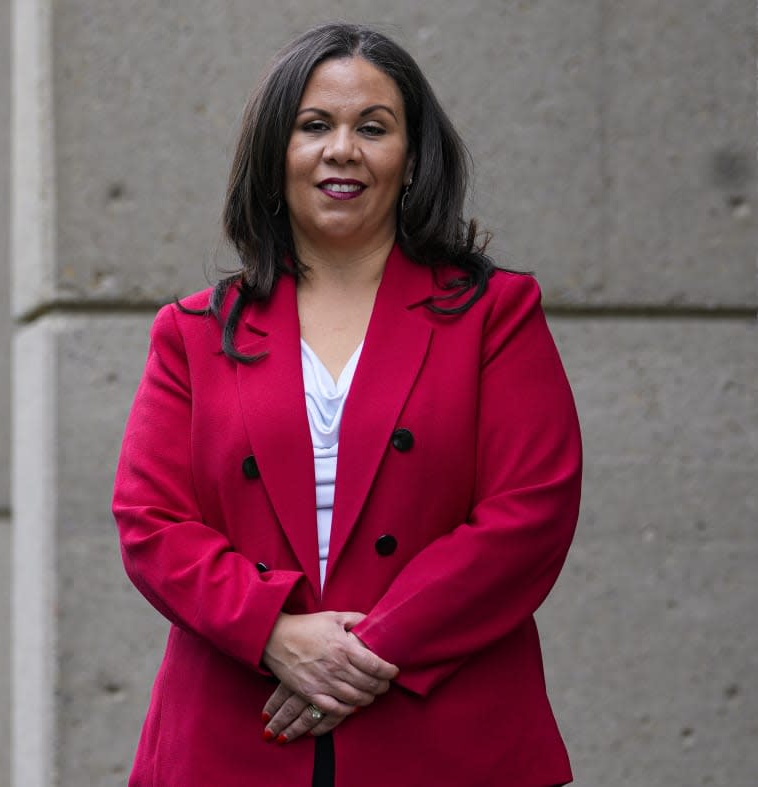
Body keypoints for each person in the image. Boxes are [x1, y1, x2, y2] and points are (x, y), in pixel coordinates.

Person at [112, 22, 581, 787]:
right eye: (314, 125)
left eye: (374, 127)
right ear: (276, 154)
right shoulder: (192, 334)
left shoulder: (495, 314)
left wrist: (362, 653)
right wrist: (272, 632)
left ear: (412, 155)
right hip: (236, 733)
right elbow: (150, 520)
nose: (343, 149)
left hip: (448, 734)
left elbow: (530, 511)